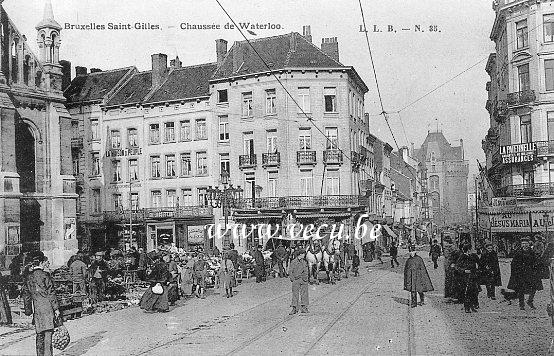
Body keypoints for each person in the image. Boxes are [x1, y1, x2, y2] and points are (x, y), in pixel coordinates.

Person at [22, 251, 60, 356]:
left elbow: (26, 295)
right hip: (47, 307)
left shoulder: (28, 277)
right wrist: (56, 309)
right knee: (48, 333)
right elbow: (51, 293)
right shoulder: (45, 275)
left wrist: (28, 310)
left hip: (37, 308)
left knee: (39, 333)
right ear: (41, 262)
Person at [507, 237, 543, 310]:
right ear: (521, 244)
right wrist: (516, 272)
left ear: (529, 244)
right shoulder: (518, 253)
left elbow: (536, 261)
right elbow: (513, 263)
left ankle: (530, 301)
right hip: (521, 274)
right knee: (521, 289)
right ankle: (521, 304)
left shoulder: (532, 252)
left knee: (534, 288)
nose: (524, 245)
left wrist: (535, 269)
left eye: (526, 243)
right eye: (523, 243)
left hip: (531, 273)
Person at [456, 244, 481, 313]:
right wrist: (464, 270)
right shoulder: (462, 257)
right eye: (472, 249)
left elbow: (480, 263)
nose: (473, 250)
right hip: (465, 277)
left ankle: (473, 306)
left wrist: (478, 270)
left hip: (473, 276)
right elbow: (457, 267)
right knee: (467, 292)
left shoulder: (473, 256)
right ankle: (467, 307)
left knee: (475, 291)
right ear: (468, 250)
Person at [289, 249, 309, 315]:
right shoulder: (293, 262)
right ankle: (294, 308)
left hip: (303, 279)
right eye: (304, 254)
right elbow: (290, 271)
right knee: (295, 294)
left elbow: (306, 270)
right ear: (300, 254)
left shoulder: (304, 262)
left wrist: (305, 278)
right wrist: (292, 279)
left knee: (304, 294)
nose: (304, 255)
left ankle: (304, 308)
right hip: (296, 280)